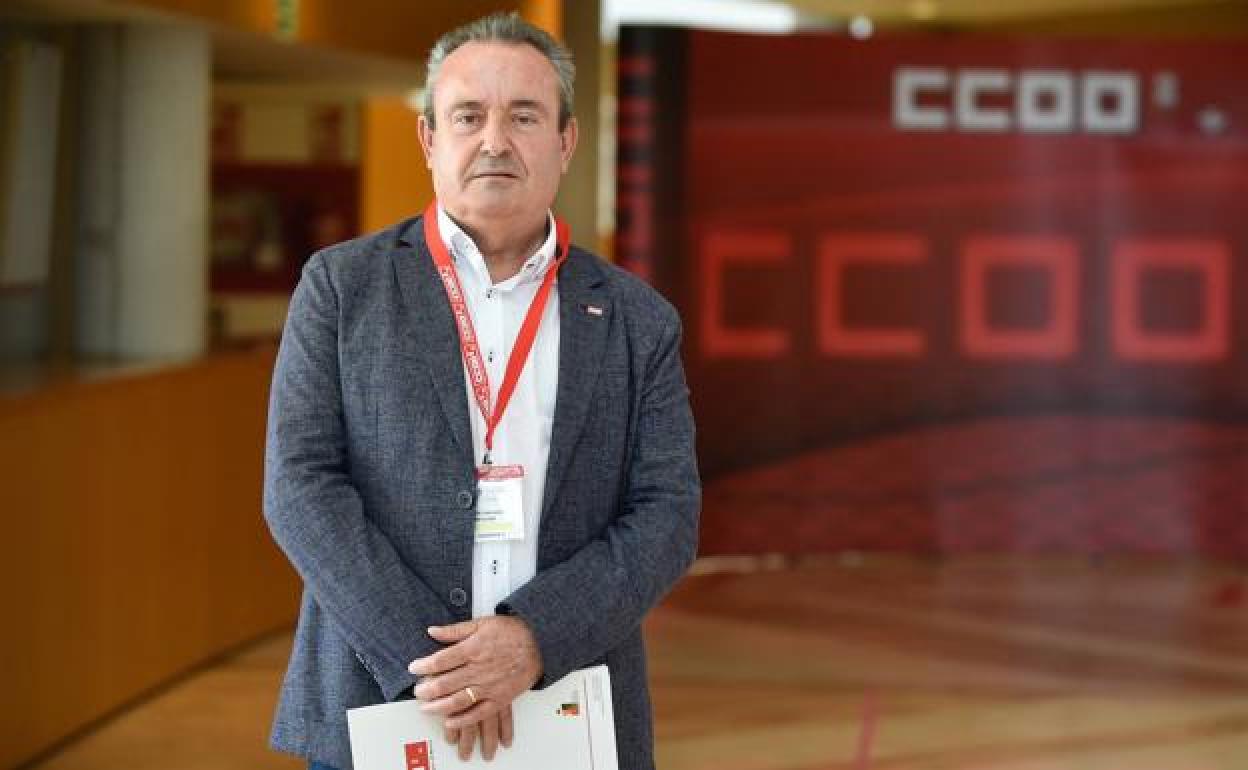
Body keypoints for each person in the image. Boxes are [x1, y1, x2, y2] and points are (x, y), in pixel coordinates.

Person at [262, 12, 700, 770]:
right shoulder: (341, 289)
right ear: (430, 139)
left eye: (524, 116)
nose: (495, 140)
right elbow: (300, 490)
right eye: (469, 116)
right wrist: (441, 669)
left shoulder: (638, 320)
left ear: (566, 140)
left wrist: (534, 639)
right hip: (379, 707)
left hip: (569, 707)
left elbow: (667, 515)